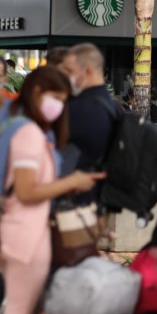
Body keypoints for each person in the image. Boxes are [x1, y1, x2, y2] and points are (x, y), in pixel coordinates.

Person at [0, 66, 106, 314]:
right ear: (36, 93)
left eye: (63, 100)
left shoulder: (32, 132)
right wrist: (72, 182)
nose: (60, 106)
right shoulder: (29, 135)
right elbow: (26, 191)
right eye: (56, 97)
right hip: (25, 238)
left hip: (26, 234)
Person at [60, 44, 116, 201]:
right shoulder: (111, 106)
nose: (65, 76)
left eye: (69, 71)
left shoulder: (81, 109)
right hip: (99, 199)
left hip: (76, 204)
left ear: (88, 72)